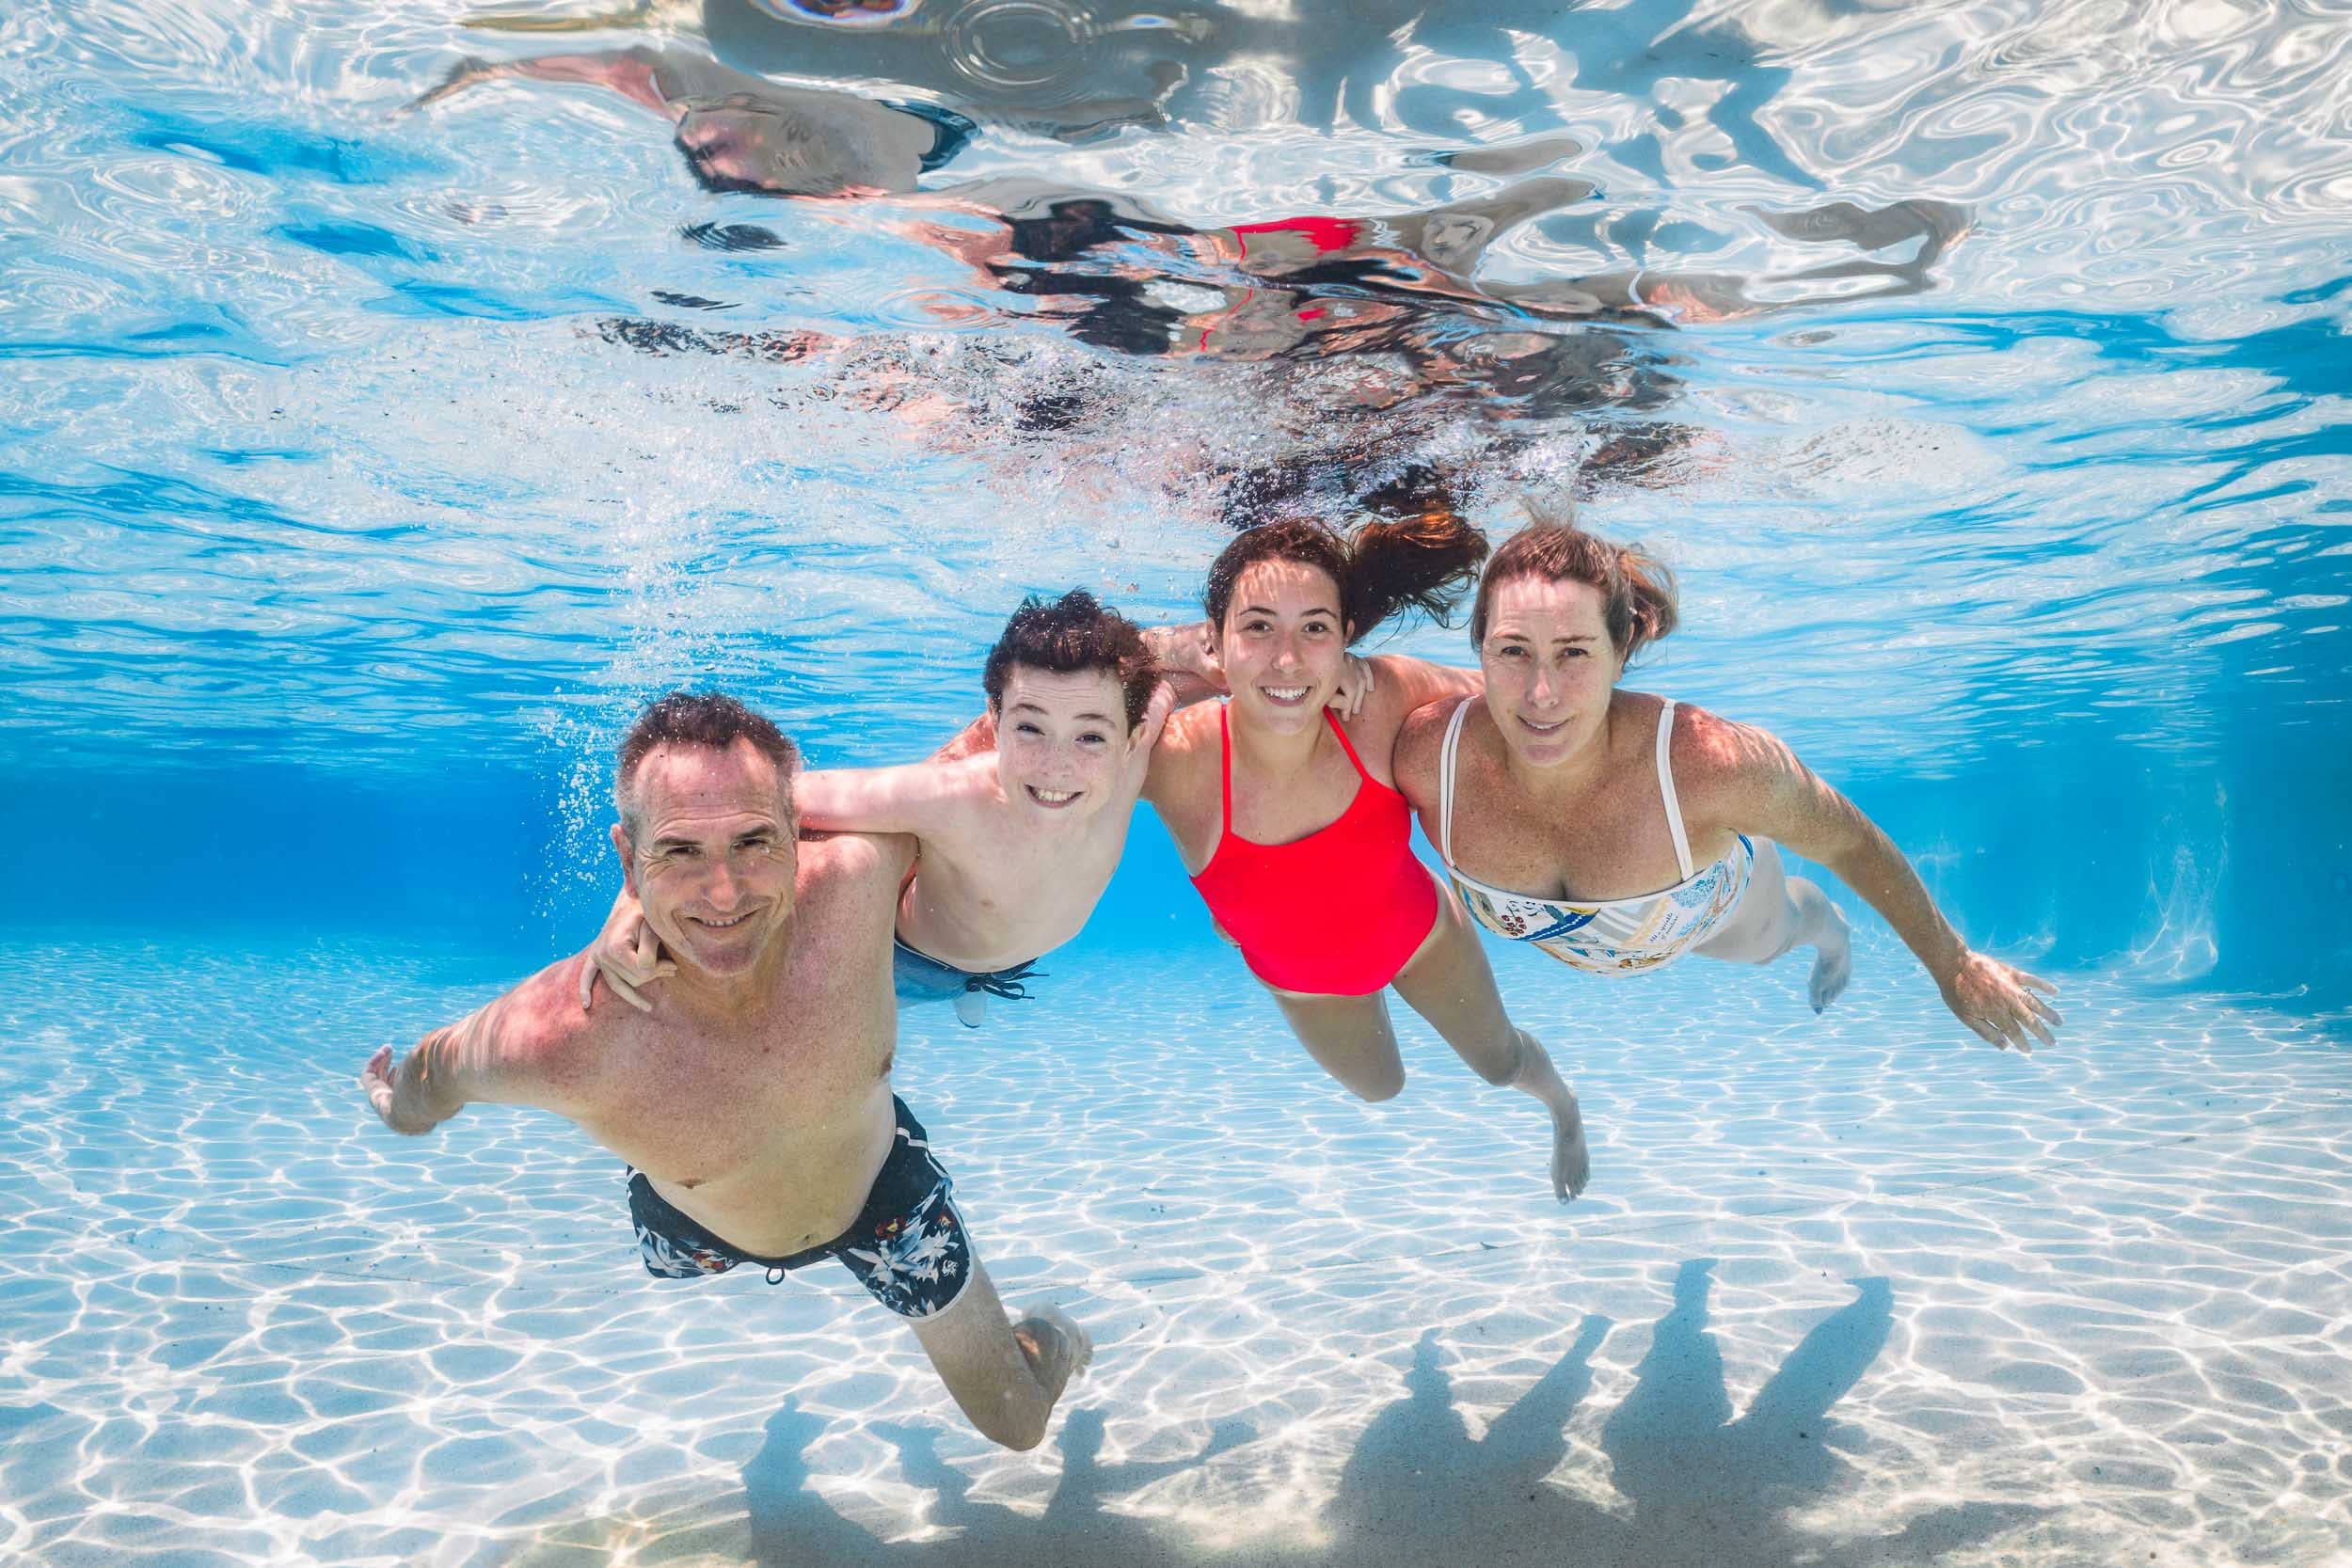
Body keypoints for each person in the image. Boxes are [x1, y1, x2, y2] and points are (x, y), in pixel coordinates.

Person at [358, 691, 1088, 1450]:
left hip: (883, 1198)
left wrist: (1167, 660)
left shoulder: (857, 877)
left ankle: (1056, 1339)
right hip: (691, 1229)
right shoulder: (566, 1036)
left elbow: (990, 753)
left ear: (798, 834)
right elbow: (440, 1068)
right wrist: (394, 1106)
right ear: (627, 861)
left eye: (753, 842)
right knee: (673, 1241)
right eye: (679, 851)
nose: (725, 892)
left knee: (1019, 1423)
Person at [1393, 519, 2062, 1053]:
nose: (1541, 693)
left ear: (1622, 650)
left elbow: (1849, 841)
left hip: (1714, 913)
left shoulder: (1706, 764)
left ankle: (1831, 935)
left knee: (1785, 931)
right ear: (1478, 649)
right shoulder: (1428, 757)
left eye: (1574, 652)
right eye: (1513, 651)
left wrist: (1952, 962)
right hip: (1599, 935)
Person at [587, 591, 1373, 1025]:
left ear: (1132, 728)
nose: (1058, 768)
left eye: (1090, 735)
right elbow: (758, 802)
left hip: (1011, 957)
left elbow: (1217, 660)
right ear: (994, 724)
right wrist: (631, 899)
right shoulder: (952, 798)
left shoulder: (1143, 732)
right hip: (909, 962)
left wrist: (1326, 675)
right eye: (1029, 729)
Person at [1142, 497, 1592, 1201]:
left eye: (1314, 630)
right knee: (1383, 1087)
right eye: (1257, 627)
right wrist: (1168, 649)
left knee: (1500, 1063)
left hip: (1419, 933)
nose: (1287, 658)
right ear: (1217, 642)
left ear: (1345, 634)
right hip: (1305, 977)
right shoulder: (1173, 757)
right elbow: (1062, 677)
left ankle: (1563, 1106)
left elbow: (1515, 701)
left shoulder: (1378, 697)